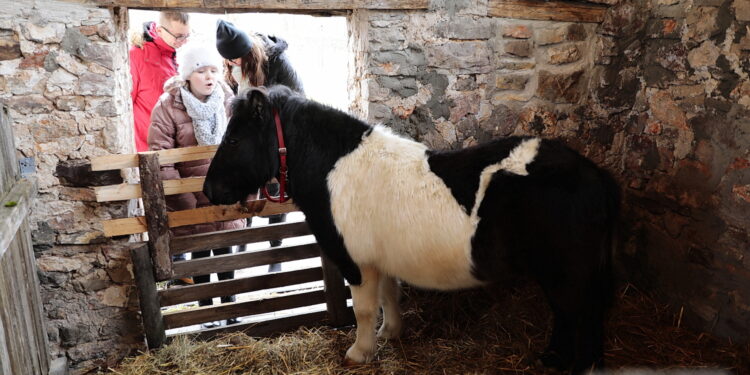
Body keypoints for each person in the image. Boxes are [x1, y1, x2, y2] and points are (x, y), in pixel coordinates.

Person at [148, 42, 244, 328]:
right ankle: (206, 310)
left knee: (226, 250)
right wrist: (185, 200)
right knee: (200, 252)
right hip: (190, 195)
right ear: (188, 74)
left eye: (213, 70)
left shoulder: (228, 100)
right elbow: (161, 159)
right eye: (201, 70)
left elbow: (242, 147)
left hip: (225, 192)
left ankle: (230, 306)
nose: (209, 76)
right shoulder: (168, 106)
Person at [215, 19, 306, 272]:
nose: (233, 64)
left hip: (279, 132)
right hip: (251, 136)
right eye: (229, 60)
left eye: (236, 59)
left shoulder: (276, 62)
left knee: (277, 187)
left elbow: (296, 99)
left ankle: (275, 250)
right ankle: (245, 237)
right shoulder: (232, 67)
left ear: (248, 53)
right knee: (246, 185)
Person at [130, 11, 190, 152]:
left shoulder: (174, 52)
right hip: (147, 143)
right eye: (179, 36)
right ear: (159, 30)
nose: (184, 41)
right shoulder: (136, 55)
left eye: (187, 35)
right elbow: (127, 104)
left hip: (172, 141)